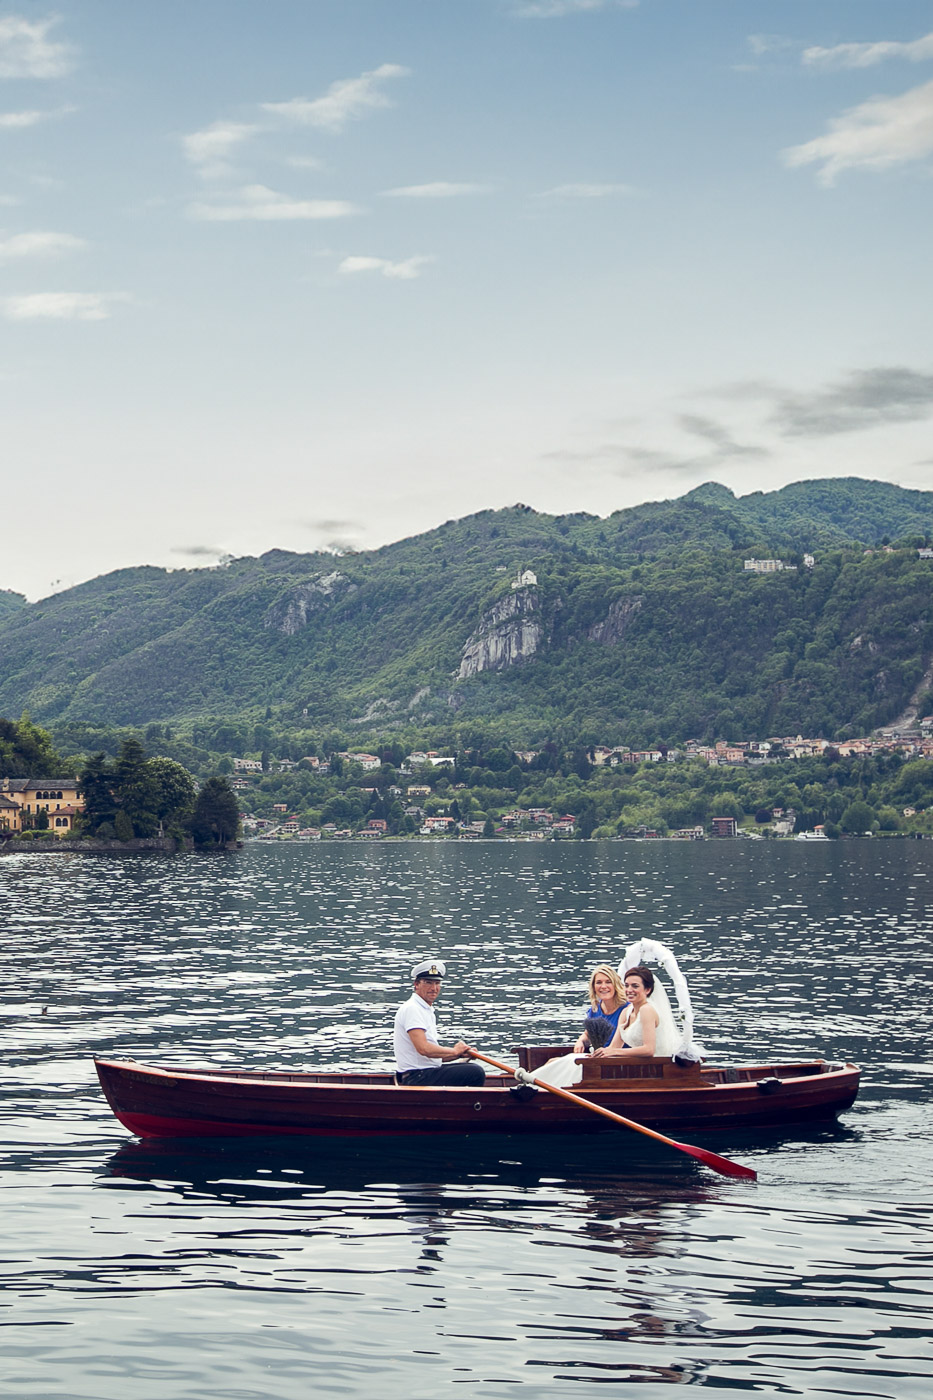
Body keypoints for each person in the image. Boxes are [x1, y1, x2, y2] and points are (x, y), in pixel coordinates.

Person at [393, 958, 485, 1086]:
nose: (434, 988)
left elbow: (433, 1056)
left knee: (470, 1069)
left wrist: (459, 1055)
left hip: (423, 1072)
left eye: (437, 983)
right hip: (416, 1077)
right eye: (428, 983)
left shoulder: (424, 1009)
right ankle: (473, 1106)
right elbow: (423, 1049)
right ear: (416, 984)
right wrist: (454, 1051)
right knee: (475, 1072)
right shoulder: (412, 1008)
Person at [599, 965, 676, 1059]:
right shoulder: (625, 1012)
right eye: (626, 985)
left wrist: (616, 1052)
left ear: (647, 990)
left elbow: (649, 1050)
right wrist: (600, 1052)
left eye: (635, 986)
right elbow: (614, 1046)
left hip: (658, 1065)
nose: (629, 990)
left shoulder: (647, 1010)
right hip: (638, 1065)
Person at [573, 965, 628, 1054]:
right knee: (552, 1062)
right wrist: (580, 1041)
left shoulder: (627, 1009)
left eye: (608, 982)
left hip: (619, 1061)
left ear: (615, 985)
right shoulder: (595, 1009)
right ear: (594, 987)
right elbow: (588, 1035)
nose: (603, 986)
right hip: (599, 1058)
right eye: (599, 982)